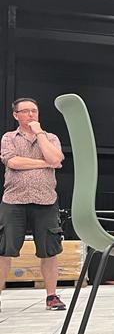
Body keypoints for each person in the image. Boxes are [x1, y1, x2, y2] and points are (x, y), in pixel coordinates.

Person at [0, 98, 67, 312]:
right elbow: (13, 162)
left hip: (45, 201)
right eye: (26, 111)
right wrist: (45, 163)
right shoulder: (9, 137)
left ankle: (51, 296)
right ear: (15, 115)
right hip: (14, 201)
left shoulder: (50, 137)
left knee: (49, 251)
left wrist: (39, 133)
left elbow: (55, 158)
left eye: (34, 111)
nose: (31, 114)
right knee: (4, 249)